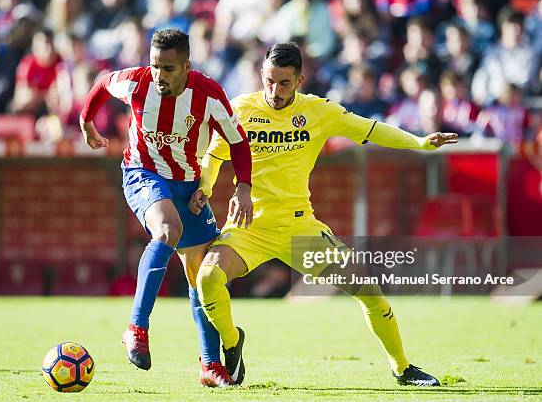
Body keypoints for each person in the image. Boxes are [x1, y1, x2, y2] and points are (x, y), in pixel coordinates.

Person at [189, 43, 458, 387]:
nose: (275, 91)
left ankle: (403, 368)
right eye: (270, 81)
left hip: (299, 229)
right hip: (248, 229)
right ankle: (232, 343)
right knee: (208, 279)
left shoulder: (319, 111)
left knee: (368, 290)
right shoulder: (240, 109)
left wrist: (419, 142)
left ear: (300, 79)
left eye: (284, 83)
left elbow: (371, 129)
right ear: (262, 76)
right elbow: (213, 156)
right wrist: (206, 189)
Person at [79, 28, 253, 384]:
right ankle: (136, 327)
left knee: (201, 276)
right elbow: (102, 84)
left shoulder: (208, 94)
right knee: (168, 230)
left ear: (186, 65)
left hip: (188, 186)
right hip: (142, 173)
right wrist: (86, 121)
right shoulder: (137, 82)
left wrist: (244, 188)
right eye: (156, 65)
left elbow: (238, 143)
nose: (159, 75)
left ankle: (209, 364)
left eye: (169, 68)